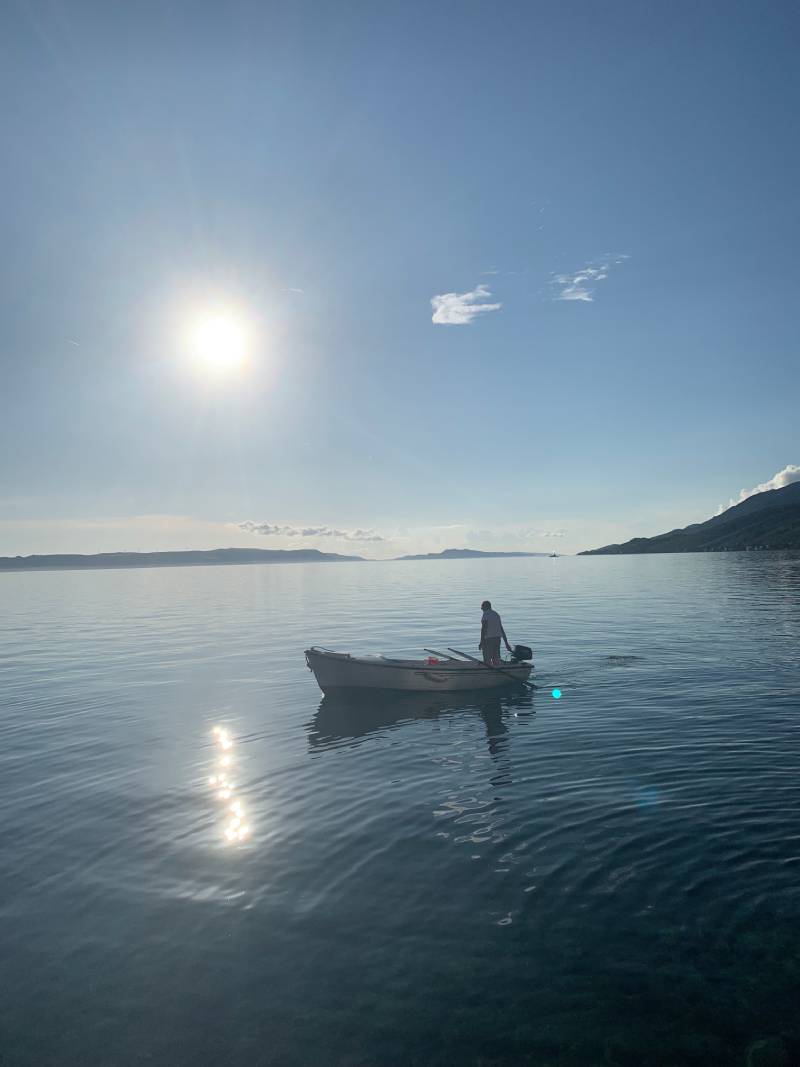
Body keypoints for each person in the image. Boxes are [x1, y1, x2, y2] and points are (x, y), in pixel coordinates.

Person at [479, 600, 513, 666]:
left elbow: (483, 629)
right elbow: (501, 629)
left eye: (482, 607)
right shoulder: (496, 614)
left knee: (487, 660)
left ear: (486, 607)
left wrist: (481, 642)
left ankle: (488, 671)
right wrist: (506, 643)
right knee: (496, 659)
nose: (481, 608)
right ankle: (497, 669)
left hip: (488, 640)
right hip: (497, 639)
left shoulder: (486, 614)